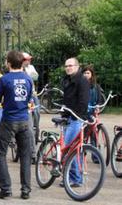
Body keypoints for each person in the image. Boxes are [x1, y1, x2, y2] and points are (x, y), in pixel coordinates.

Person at [0, 50, 33, 200]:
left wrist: (4, 100)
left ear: (8, 63)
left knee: (1, 154)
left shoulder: (4, 79)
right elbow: (28, 97)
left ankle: (6, 189)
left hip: (9, 120)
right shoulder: (28, 79)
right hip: (24, 120)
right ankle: (26, 190)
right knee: (25, 155)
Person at [60, 57, 90, 188]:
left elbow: (83, 101)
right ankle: (72, 177)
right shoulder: (67, 79)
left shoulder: (82, 81)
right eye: (66, 66)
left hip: (76, 118)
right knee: (69, 148)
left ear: (77, 67)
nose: (68, 68)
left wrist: (76, 114)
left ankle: (75, 179)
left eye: (70, 65)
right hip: (67, 116)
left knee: (69, 148)